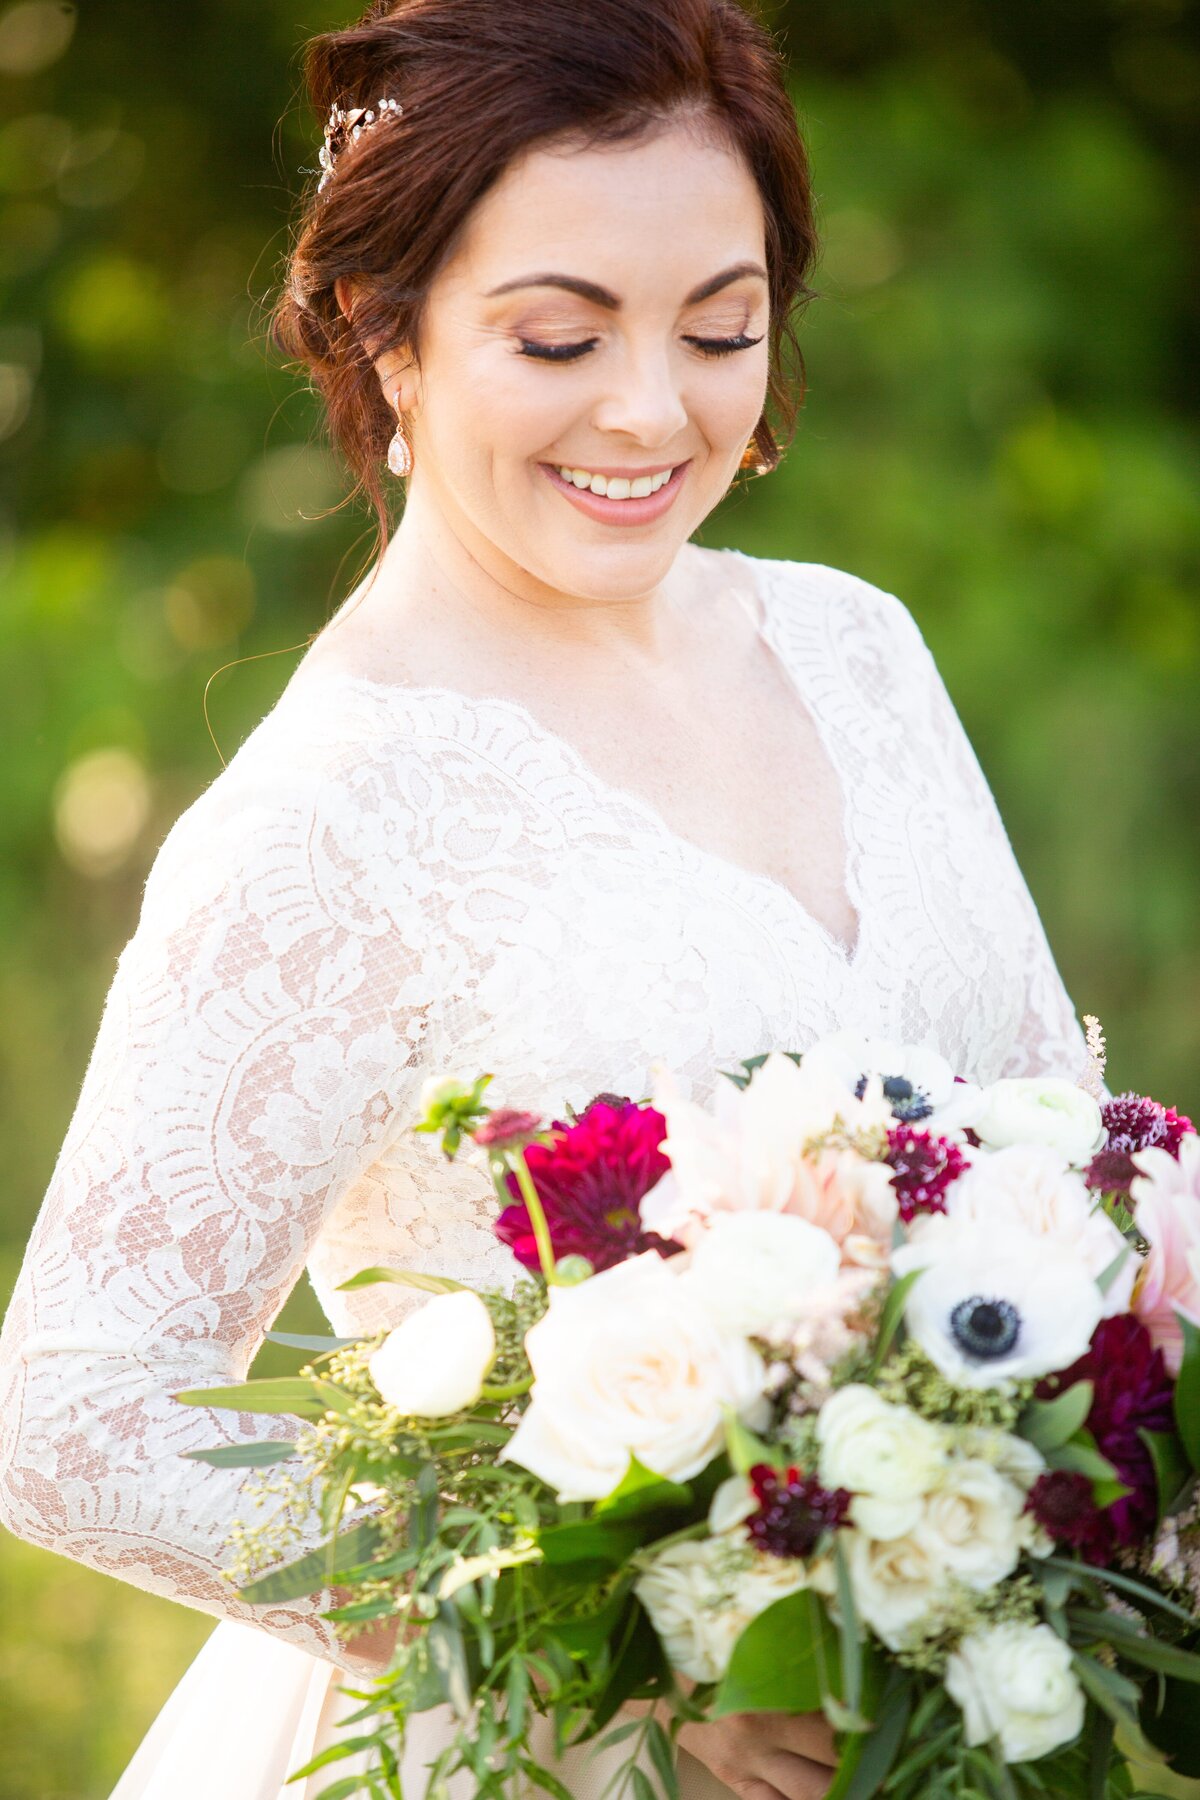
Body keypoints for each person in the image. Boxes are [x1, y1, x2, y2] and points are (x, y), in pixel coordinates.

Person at [0, 1, 1096, 1795]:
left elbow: (1054, 1138)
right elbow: (74, 1409)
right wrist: (626, 1644)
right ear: (386, 326)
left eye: (720, 327)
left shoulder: (855, 648)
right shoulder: (328, 818)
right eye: (560, 334)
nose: (652, 409)